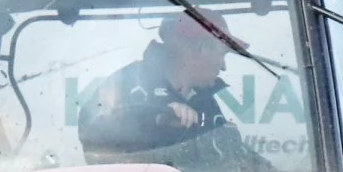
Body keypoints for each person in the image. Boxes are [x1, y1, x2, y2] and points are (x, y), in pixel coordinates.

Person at [78, 11, 235, 155]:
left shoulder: (205, 102)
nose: (224, 66)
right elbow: (92, 133)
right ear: (197, 49)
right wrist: (157, 116)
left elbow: (229, 158)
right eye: (222, 54)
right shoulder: (127, 81)